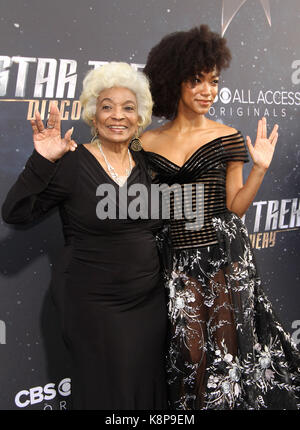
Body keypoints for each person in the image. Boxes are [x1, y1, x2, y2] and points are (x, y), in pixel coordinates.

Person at [141, 25, 300, 410]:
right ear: (172, 80)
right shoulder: (144, 142)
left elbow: (236, 207)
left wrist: (259, 169)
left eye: (213, 81)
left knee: (228, 354)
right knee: (189, 353)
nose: (207, 91)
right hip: (176, 257)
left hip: (223, 256)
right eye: (196, 80)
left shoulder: (228, 135)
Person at [1, 62, 168, 410]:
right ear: (93, 116)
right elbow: (16, 213)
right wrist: (42, 160)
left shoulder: (147, 165)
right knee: (104, 392)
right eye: (107, 106)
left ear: (140, 118)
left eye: (128, 108)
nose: (117, 116)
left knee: (146, 389)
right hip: (93, 304)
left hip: (148, 304)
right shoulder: (73, 163)